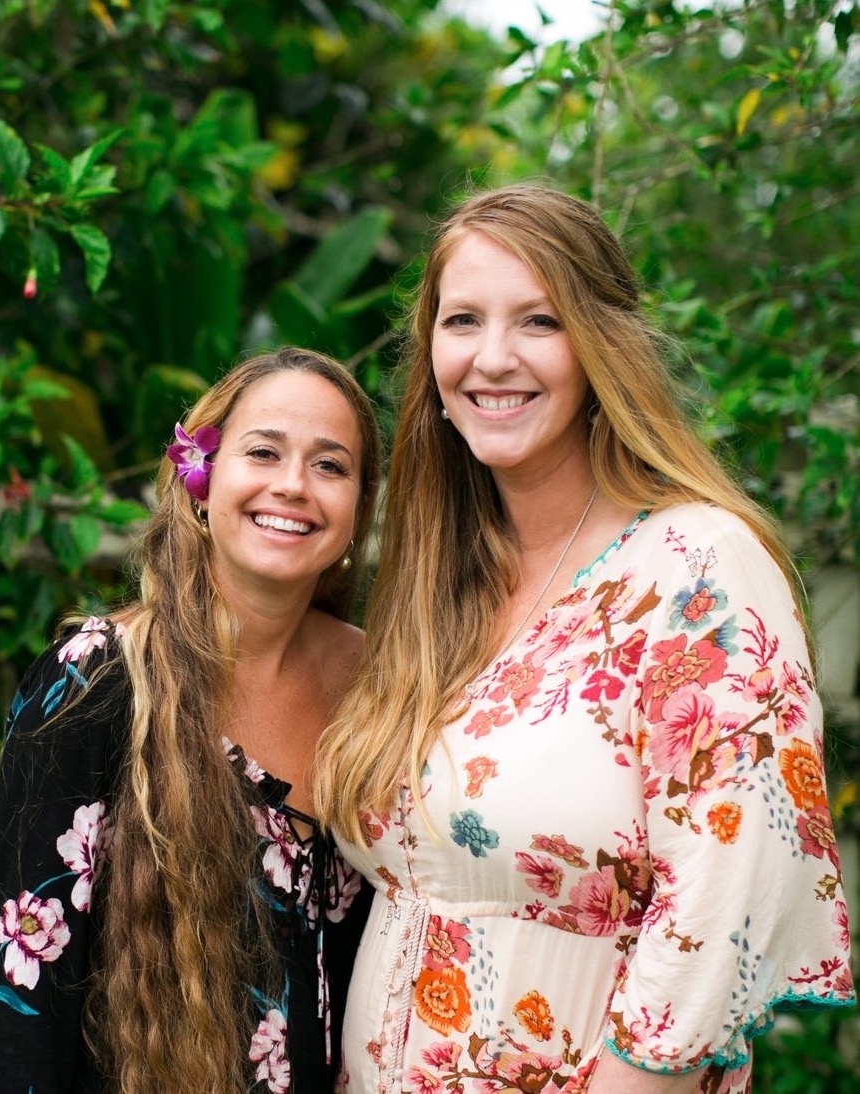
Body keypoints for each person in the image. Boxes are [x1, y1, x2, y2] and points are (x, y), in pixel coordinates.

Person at [314, 184, 855, 1094]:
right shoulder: (441, 583)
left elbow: (718, 918)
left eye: (536, 321)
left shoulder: (698, 570)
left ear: (599, 345)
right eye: (461, 321)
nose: (491, 358)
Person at [0, 346, 382, 1094]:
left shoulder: (384, 687)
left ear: (357, 507)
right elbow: (20, 1010)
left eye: (330, 465)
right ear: (200, 479)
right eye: (262, 452)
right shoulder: (94, 680)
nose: (292, 486)